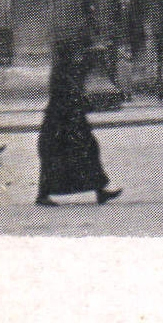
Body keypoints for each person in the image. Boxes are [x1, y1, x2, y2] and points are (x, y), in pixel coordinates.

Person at [35, 44, 121, 206]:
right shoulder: (62, 74)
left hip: (69, 122)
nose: (77, 57)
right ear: (67, 56)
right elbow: (66, 97)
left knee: (87, 152)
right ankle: (43, 194)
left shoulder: (65, 72)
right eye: (74, 54)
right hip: (61, 124)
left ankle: (100, 190)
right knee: (59, 158)